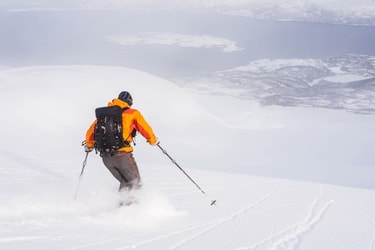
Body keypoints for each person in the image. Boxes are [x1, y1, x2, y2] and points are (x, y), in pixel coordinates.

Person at [84, 91, 158, 195]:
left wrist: (89, 145)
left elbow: (91, 132)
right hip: (123, 155)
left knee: (125, 182)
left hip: (106, 158)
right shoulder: (132, 113)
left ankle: (120, 207)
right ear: (129, 102)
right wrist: (153, 140)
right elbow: (145, 129)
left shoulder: (104, 115)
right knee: (135, 184)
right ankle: (134, 209)